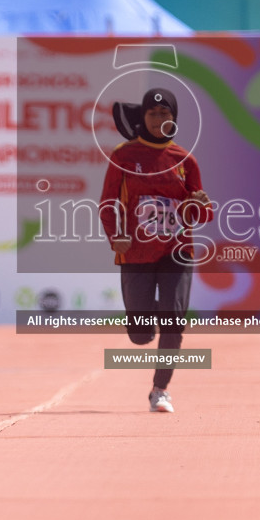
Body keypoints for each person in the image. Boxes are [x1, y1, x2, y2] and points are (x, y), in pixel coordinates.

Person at [99, 87, 213, 413]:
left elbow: (201, 215)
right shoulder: (123, 155)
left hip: (177, 251)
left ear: (174, 118)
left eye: (165, 114)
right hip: (135, 253)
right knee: (140, 335)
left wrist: (200, 204)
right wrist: (114, 236)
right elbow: (107, 204)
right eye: (152, 114)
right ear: (143, 117)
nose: (158, 119)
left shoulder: (184, 159)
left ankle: (160, 390)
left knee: (173, 320)